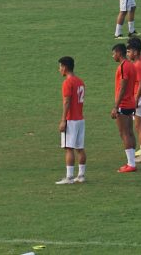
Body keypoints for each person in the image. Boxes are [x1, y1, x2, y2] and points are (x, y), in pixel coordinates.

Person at [55, 56, 87, 184]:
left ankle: (69, 177)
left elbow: (67, 101)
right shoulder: (80, 81)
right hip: (80, 119)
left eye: (60, 67)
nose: (59, 70)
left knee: (69, 148)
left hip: (71, 119)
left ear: (65, 67)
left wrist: (63, 120)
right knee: (80, 148)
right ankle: (81, 175)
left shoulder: (67, 82)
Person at [111, 44, 138, 173]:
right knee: (130, 132)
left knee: (124, 133)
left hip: (124, 104)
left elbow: (122, 87)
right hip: (131, 102)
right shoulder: (131, 65)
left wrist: (116, 106)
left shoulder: (123, 67)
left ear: (118, 53)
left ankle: (131, 164)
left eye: (113, 54)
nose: (113, 56)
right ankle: (132, 161)